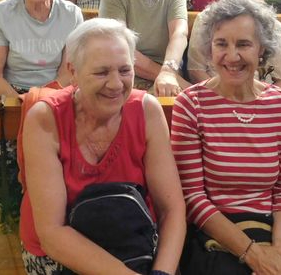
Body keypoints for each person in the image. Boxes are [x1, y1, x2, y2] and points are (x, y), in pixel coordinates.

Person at [19, 18, 186, 274]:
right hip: (62, 252)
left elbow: (171, 210)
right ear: (73, 71)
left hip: (133, 243)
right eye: (101, 72)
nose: (116, 84)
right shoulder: (45, 118)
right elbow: (52, 233)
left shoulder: (146, 111)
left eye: (125, 70)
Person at [171, 0, 281, 275]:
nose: (232, 56)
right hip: (214, 231)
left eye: (243, 44)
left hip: (274, 226)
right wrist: (253, 254)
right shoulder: (191, 104)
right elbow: (192, 198)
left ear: (261, 49)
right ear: (209, 48)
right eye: (221, 44)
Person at [188, 0, 281, 87]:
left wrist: (263, 98)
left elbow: (280, 79)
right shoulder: (207, 19)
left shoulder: (274, 27)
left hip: (259, 94)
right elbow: (196, 70)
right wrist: (222, 95)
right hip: (214, 90)